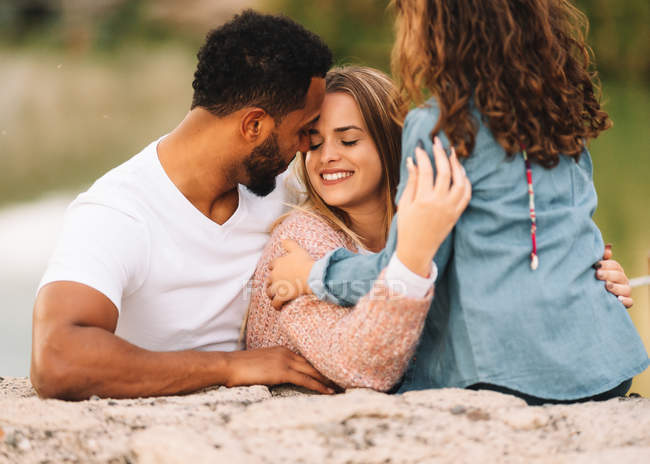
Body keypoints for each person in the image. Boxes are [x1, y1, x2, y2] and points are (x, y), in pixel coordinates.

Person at [268, 0, 648, 403]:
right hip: (605, 362)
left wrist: (311, 274)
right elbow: (570, 246)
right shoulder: (560, 117)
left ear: (438, 30)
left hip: (510, 377)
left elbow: (404, 267)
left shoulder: (440, 128)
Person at [30, 10, 336, 400]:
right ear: (253, 126)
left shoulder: (283, 185)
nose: (308, 146)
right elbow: (57, 360)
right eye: (302, 130)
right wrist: (229, 366)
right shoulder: (117, 212)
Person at [246, 66, 470, 391]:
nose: (327, 157)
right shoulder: (299, 241)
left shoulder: (429, 226)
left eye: (348, 141)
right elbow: (361, 366)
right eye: (315, 144)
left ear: (391, 142)